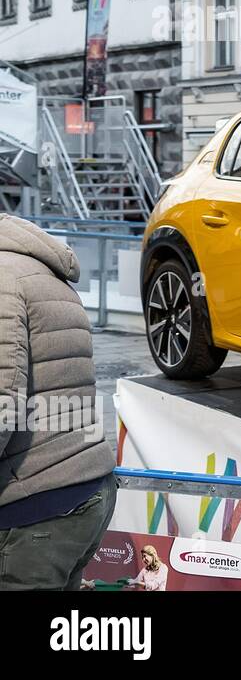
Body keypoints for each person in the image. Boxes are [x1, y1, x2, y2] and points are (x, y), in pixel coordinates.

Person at [0, 214, 116, 591]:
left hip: (34, 505)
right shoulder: (40, 270)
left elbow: (4, 395)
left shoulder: (3, 280)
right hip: (84, 490)